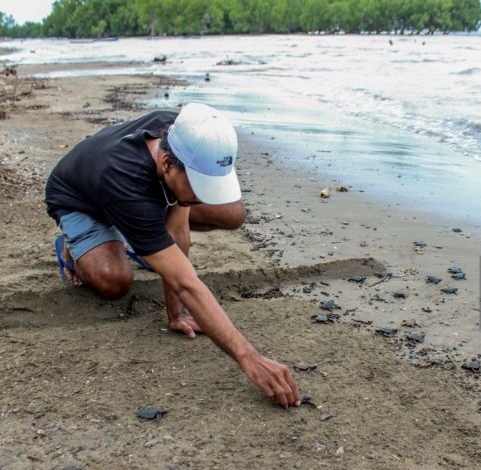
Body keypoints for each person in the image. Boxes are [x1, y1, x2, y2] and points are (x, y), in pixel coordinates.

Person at [45, 103, 300, 408]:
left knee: (231, 212)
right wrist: (251, 359)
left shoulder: (190, 130)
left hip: (140, 196)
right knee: (114, 282)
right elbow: (185, 282)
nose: (202, 193)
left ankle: (144, 239)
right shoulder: (123, 177)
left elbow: (178, 230)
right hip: (80, 200)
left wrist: (175, 314)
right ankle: (73, 250)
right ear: (166, 163)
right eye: (197, 183)